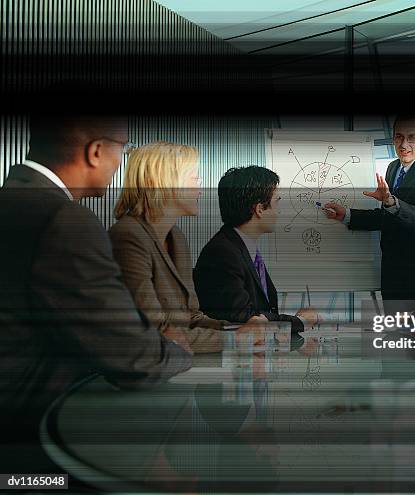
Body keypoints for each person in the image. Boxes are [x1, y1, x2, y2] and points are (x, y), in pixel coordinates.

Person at [0, 113, 193, 473]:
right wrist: (177, 350)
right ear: (96, 151)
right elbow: (132, 357)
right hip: (36, 447)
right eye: (123, 149)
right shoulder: (65, 219)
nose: (123, 161)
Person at [109, 142, 263, 354]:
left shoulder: (177, 237)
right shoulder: (128, 237)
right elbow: (157, 333)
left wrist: (240, 329)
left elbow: (191, 318)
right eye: (194, 177)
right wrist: (236, 339)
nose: (201, 187)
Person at [324, 115, 415, 302]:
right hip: (392, 273)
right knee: (394, 330)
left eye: (412, 137)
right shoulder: (393, 168)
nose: (404, 144)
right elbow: (387, 217)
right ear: (393, 139)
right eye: (399, 137)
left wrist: (390, 201)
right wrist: (347, 215)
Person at [194, 166, 320, 333]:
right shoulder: (223, 253)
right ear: (260, 209)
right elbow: (245, 319)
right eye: (277, 202)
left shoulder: (241, 247)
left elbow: (261, 314)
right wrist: (301, 322)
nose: (279, 211)